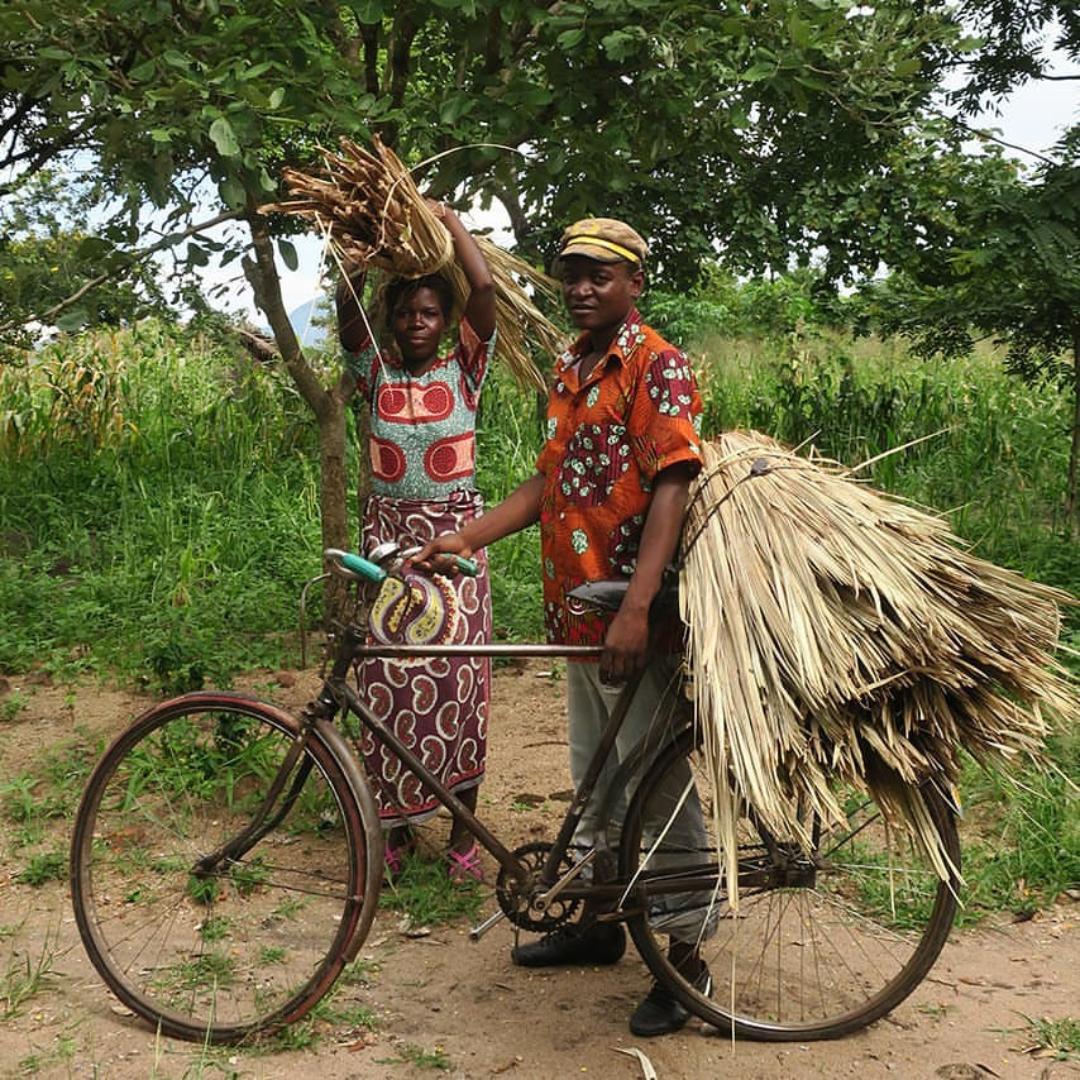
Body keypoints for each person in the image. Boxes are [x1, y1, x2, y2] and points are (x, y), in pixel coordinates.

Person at [412, 218, 714, 1036]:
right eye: (573, 274)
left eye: (601, 275)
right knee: (597, 777)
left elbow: (673, 489)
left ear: (634, 283)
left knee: (656, 787)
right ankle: (599, 924)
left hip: (632, 618)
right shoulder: (571, 367)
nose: (582, 288)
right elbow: (549, 485)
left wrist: (638, 607)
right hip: (579, 615)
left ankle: (685, 957)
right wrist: (465, 537)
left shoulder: (657, 366)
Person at [336, 202, 496, 883]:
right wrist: (365, 246)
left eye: (429, 313)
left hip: (457, 553)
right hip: (388, 554)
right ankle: (396, 835)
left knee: (460, 691)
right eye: (406, 313)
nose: (417, 324)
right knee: (387, 693)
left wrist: (448, 223)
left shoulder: (465, 370)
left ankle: (463, 838)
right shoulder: (373, 374)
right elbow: (347, 307)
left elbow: (484, 291)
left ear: (444, 321)